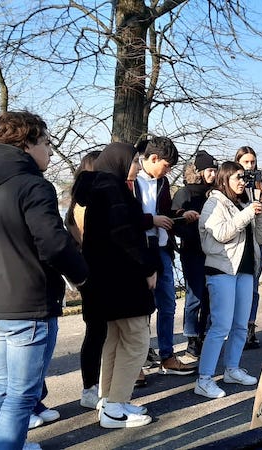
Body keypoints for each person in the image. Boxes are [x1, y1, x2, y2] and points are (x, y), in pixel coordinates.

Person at [0, 111, 88, 450]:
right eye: (46, 144)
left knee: (1, 389)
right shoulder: (33, 185)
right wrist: (83, 277)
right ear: (26, 144)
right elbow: (54, 244)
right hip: (28, 306)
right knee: (20, 397)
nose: (50, 152)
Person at [71, 142, 159, 428]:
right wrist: (147, 268)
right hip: (124, 278)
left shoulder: (96, 187)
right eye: (134, 161)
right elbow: (126, 235)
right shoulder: (113, 188)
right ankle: (114, 406)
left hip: (104, 279)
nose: (136, 166)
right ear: (121, 161)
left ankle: (108, 401)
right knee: (136, 340)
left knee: (114, 341)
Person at [194, 161, 262, 398]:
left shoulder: (245, 202)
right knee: (220, 326)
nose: (242, 182)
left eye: (244, 178)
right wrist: (248, 212)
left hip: (246, 269)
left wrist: (261, 209)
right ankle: (204, 378)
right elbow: (222, 234)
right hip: (222, 271)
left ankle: (232, 369)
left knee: (240, 325)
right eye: (237, 177)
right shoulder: (214, 203)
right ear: (225, 178)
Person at [132, 138, 197, 377]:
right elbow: (126, 218)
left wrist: (181, 214)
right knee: (139, 309)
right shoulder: (129, 181)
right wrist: (152, 221)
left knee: (168, 303)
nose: (168, 171)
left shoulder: (163, 182)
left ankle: (167, 356)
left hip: (162, 248)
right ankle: (136, 363)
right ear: (153, 159)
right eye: (167, 166)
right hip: (138, 250)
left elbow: (165, 213)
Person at [65, 150, 108, 410]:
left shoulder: (77, 202)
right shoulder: (85, 204)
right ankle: (91, 388)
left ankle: (95, 386)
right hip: (96, 273)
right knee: (97, 332)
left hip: (90, 273)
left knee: (98, 331)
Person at [172, 150, 217, 359]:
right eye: (209, 170)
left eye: (215, 170)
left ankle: (204, 333)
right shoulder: (185, 193)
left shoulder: (214, 193)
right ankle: (191, 337)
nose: (213, 174)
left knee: (209, 296)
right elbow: (174, 222)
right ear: (198, 171)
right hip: (193, 251)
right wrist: (192, 226)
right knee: (195, 296)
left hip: (212, 251)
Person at [235, 146, 262, 349]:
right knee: (238, 285)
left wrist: (260, 210)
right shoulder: (235, 181)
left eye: (252, 162)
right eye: (246, 162)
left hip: (257, 238)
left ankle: (250, 327)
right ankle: (237, 327)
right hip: (239, 239)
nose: (250, 166)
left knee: (253, 286)